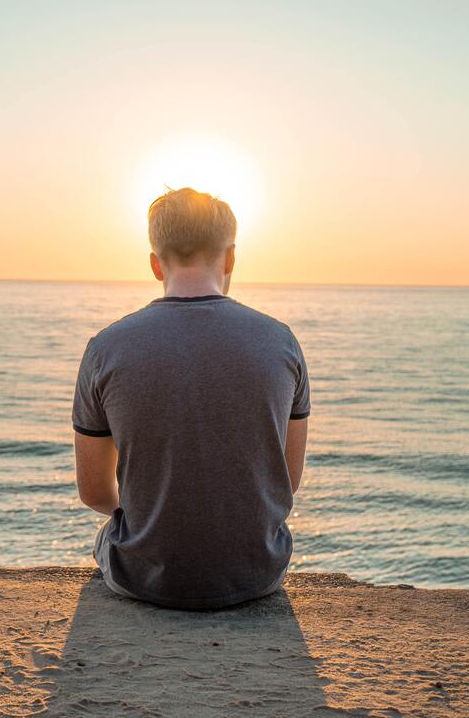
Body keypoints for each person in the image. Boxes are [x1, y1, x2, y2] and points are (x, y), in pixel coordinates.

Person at [71, 187, 310, 609]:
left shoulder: (106, 348)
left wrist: (154, 511)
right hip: (257, 573)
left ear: (154, 264)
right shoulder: (282, 343)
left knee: (111, 535)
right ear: (231, 257)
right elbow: (285, 483)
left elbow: (94, 492)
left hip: (143, 577)